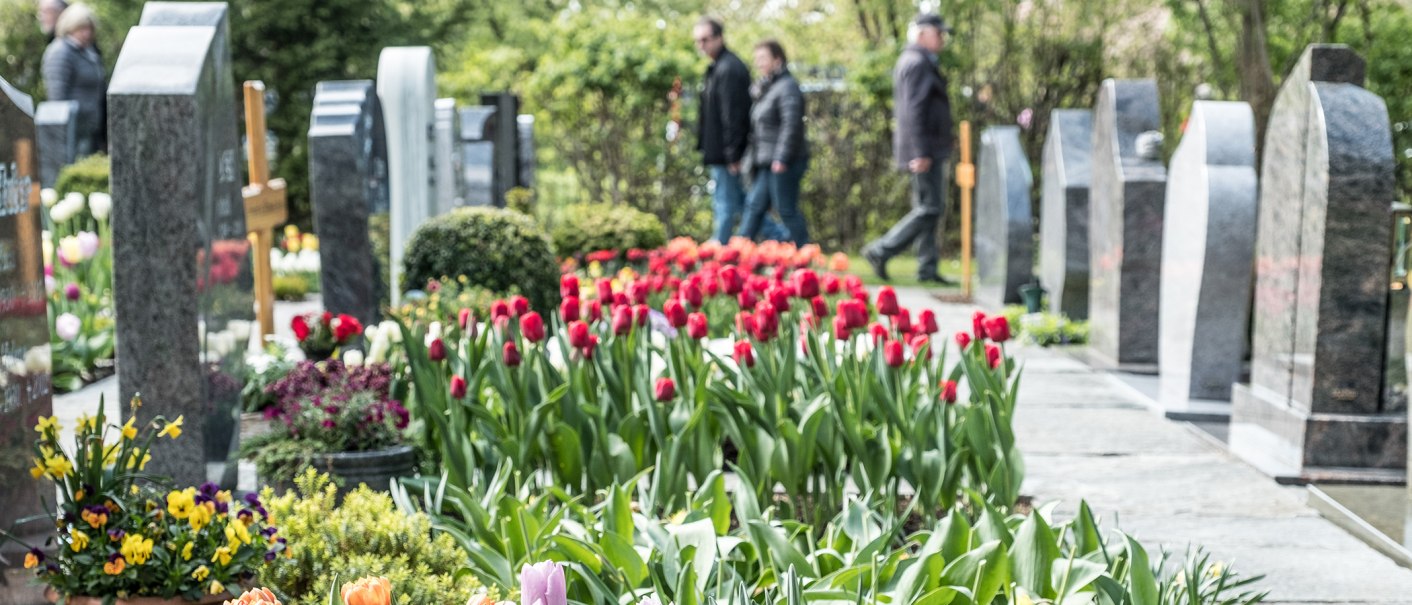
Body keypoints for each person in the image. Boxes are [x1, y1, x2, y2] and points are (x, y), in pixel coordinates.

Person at [863, 13, 954, 284]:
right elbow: (914, 111)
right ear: (923, 34)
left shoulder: (916, 60)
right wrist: (921, 151)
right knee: (930, 208)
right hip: (925, 150)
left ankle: (927, 268)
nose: (943, 39)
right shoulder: (917, 63)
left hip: (926, 148)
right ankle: (880, 250)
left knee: (927, 207)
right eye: (939, 33)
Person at [693, 17, 787, 243]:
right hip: (720, 150)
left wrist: (733, 153)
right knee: (739, 201)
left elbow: (733, 117)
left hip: (727, 153)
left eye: (705, 39)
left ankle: (722, 246)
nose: (701, 45)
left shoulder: (729, 69)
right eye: (698, 41)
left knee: (728, 201)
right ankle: (780, 237)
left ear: (719, 37)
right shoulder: (717, 68)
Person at [737, 40, 809, 245]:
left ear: (777, 60)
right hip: (767, 161)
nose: (758, 63)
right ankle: (739, 253)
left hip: (783, 161)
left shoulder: (787, 87)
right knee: (754, 205)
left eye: (763, 58)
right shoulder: (768, 88)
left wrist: (782, 157)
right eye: (756, 59)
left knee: (786, 209)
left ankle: (805, 253)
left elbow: (791, 124)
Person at [42, 2, 106, 156]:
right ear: (70, 27)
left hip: (90, 128)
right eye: (82, 28)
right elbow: (57, 95)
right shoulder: (60, 52)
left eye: (89, 29)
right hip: (71, 131)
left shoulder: (89, 53)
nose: (87, 34)